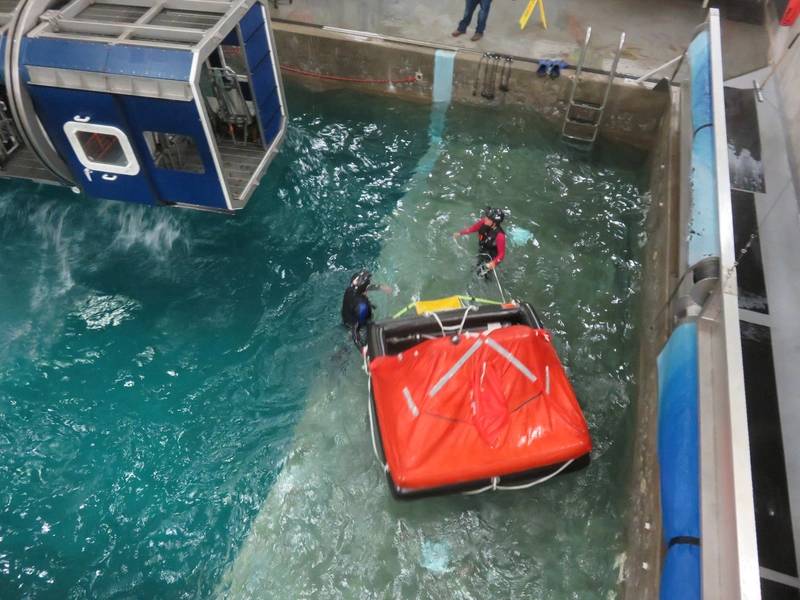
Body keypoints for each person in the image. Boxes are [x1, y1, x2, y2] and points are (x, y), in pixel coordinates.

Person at [341, 269, 391, 347]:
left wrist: (379, 287)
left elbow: (361, 287)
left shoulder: (350, 289)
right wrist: (362, 347)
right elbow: (355, 329)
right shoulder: (363, 307)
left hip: (347, 319)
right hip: (358, 328)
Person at [453, 207, 506, 275]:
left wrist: (493, 263)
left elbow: (501, 254)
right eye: (486, 216)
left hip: (491, 255)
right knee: (474, 269)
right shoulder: (483, 222)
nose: (485, 218)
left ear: (494, 222)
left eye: (488, 218)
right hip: (483, 248)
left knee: (482, 273)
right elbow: (472, 229)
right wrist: (460, 233)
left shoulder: (500, 235)